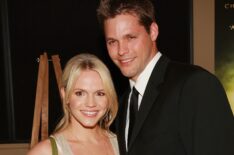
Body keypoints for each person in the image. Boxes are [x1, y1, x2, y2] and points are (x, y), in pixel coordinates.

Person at [97, 0, 234, 155]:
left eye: (130, 37)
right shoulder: (123, 104)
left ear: (153, 31)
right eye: (112, 42)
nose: (121, 50)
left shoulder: (195, 85)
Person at [28, 53, 119, 155]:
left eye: (100, 93)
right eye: (80, 93)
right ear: (65, 95)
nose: (91, 103)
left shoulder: (123, 144)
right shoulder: (44, 152)